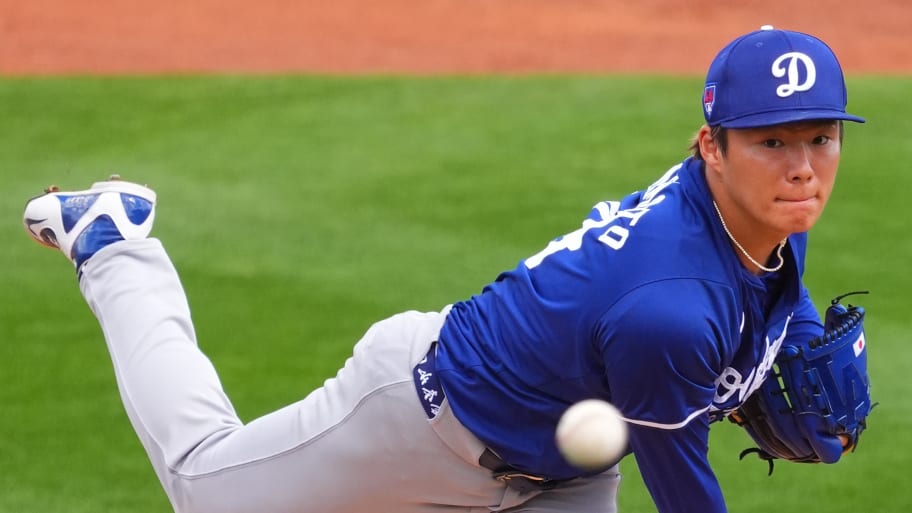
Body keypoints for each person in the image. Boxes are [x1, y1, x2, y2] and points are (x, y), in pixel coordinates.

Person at [22, 26, 865, 513]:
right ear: (709, 148)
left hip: (565, 471)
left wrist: (770, 347)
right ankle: (115, 244)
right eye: (771, 141)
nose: (802, 169)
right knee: (206, 486)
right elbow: (686, 491)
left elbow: (760, 303)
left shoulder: (769, 219)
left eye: (820, 137)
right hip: (423, 423)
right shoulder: (669, 313)